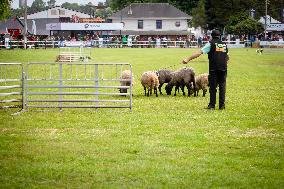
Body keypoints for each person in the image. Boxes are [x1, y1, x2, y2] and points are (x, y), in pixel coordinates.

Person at [181, 29, 229, 110]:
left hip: (214, 68)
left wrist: (188, 59)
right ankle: (222, 106)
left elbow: (199, 53)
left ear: (211, 36)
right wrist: (225, 64)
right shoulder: (224, 45)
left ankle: (212, 105)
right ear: (219, 36)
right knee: (222, 86)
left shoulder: (210, 43)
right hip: (223, 68)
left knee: (213, 87)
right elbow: (227, 57)